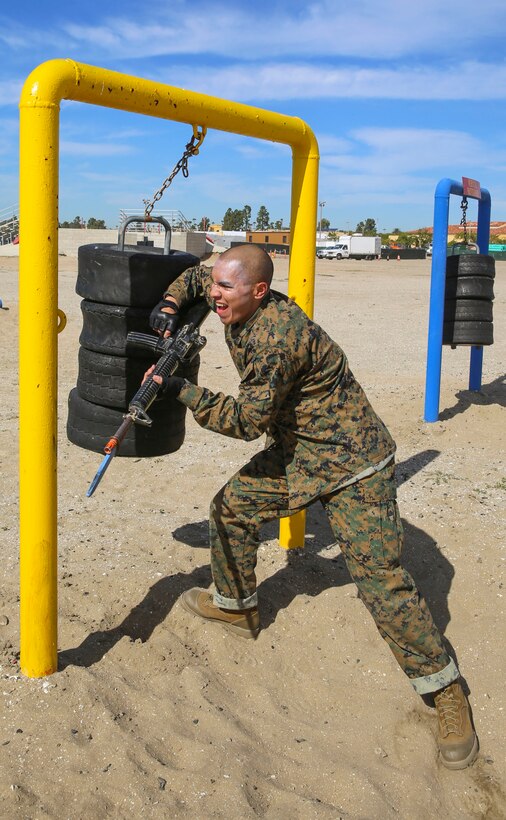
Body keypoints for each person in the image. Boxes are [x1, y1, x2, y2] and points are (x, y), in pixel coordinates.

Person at [147, 244, 478, 770]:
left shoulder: (278, 338)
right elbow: (195, 276)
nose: (214, 295)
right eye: (216, 286)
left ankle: (445, 692)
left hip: (353, 463)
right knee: (231, 508)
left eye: (224, 289)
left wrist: (182, 391)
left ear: (259, 291)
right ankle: (236, 607)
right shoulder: (234, 292)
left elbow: (244, 422)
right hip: (298, 453)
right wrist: (169, 303)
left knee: (380, 580)